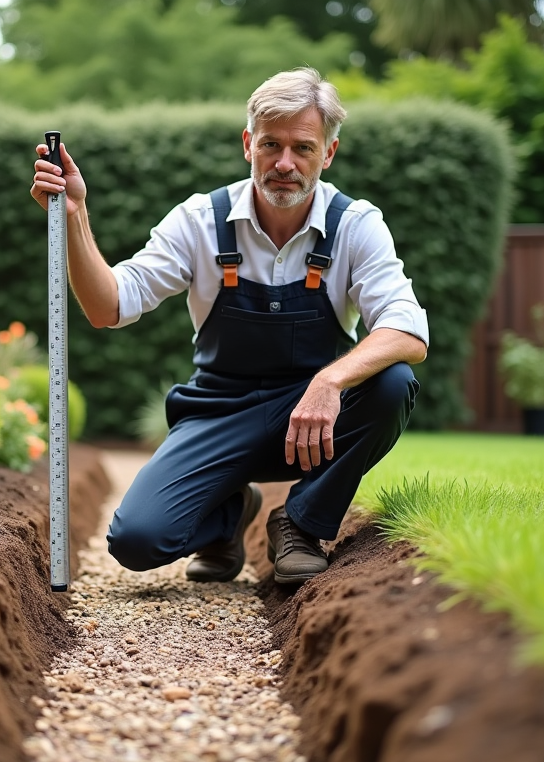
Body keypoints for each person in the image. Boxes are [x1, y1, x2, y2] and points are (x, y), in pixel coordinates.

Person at [30, 67, 428, 587]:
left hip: (311, 416)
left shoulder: (355, 225)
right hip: (218, 413)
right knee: (136, 540)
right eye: (271, 145)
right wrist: (76, 215)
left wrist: (329, 382)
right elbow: (110, 306)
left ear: (328, 154)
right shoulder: (199, 220)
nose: (285, 163)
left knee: (393, 382)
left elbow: (408, 331)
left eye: (303, 148)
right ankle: (230, 510)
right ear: (248, 144)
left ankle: (301, 523)